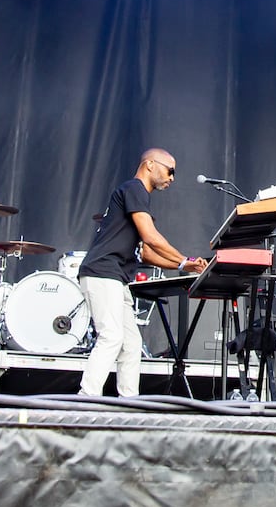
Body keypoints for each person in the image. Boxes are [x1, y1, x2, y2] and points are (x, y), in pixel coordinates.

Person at [77, 148, 207, 397]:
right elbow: (150, 236)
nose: (172, 178)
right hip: (102, 272)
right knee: (112, 337)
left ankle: (129, 403)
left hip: (116, 277)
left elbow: (147, 253)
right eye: (170, 171)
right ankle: (86, 398)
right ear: (150, 165)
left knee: (132, 343)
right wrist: (185, 259)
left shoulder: (138, 197)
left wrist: (182, 266)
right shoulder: (135, 189)